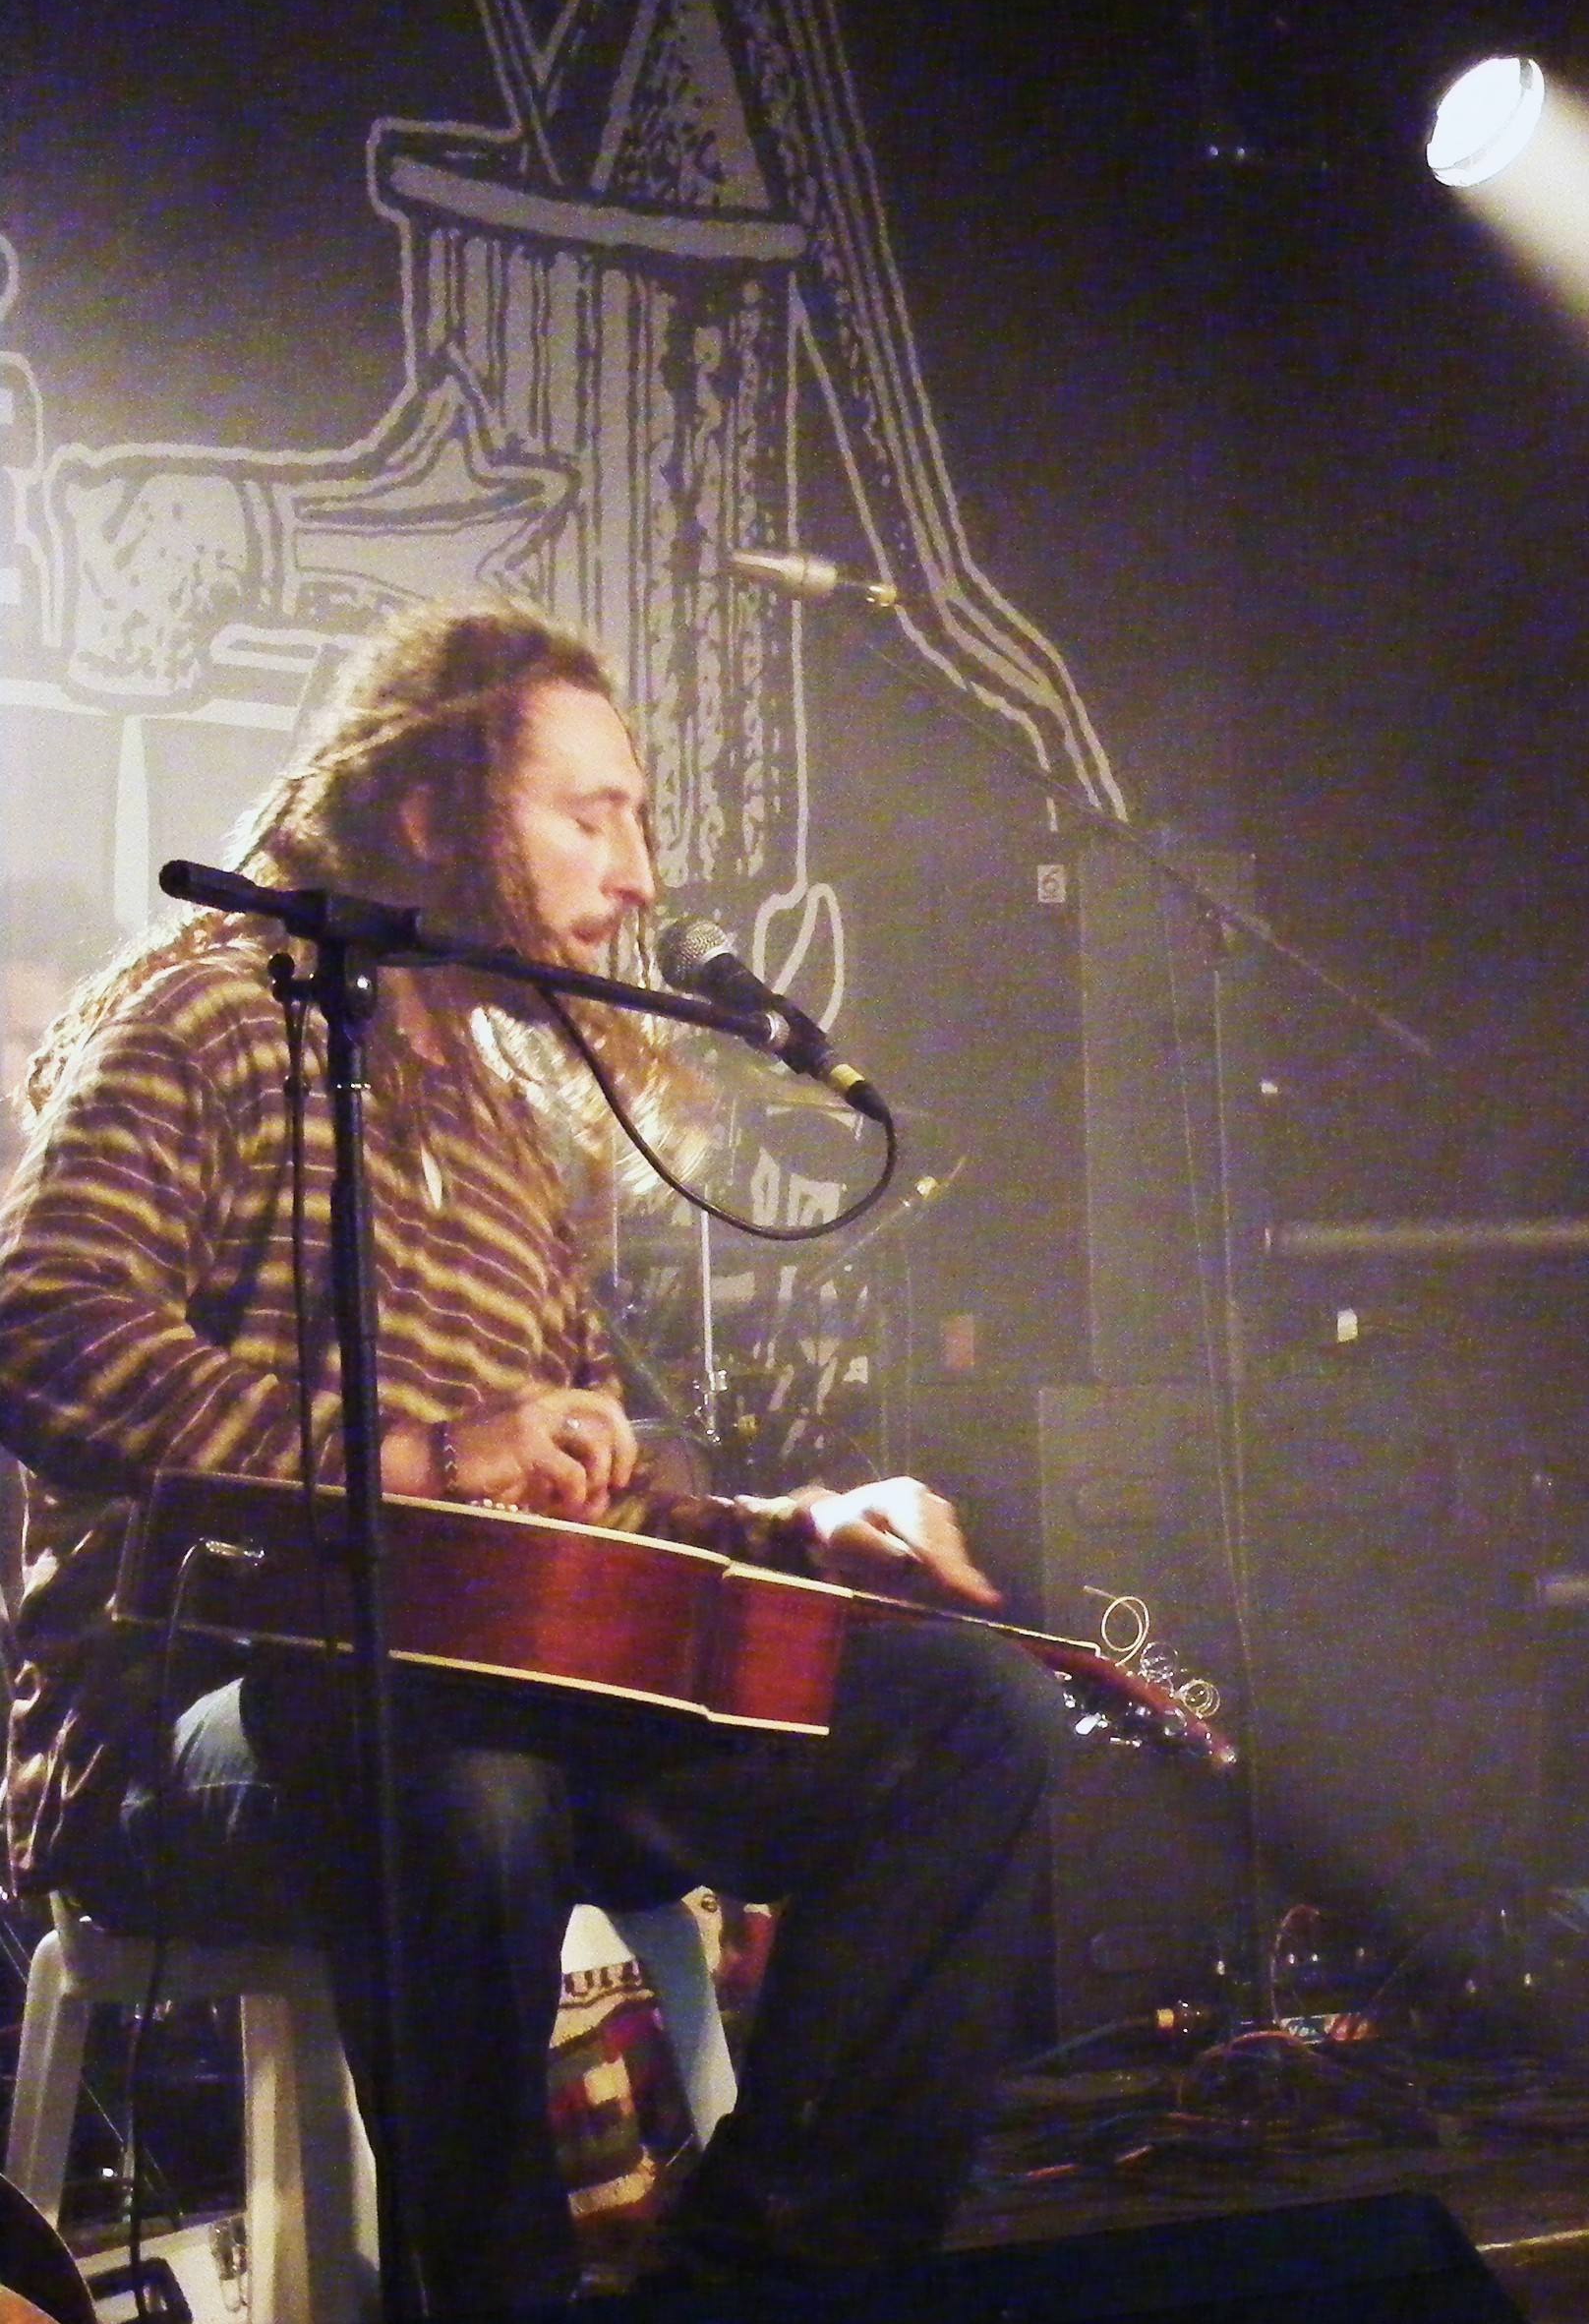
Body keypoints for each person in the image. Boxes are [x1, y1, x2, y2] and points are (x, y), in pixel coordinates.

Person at [0, 602, 1073, 2309]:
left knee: (968, 1715)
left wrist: (796, 1531)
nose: (640, 872)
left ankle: (764, 2286)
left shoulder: (499, 1120)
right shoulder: (194, 1016)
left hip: (497, 1717)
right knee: (454, 1747)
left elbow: (599, 1509)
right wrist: (422, 1450)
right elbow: (46, 1337)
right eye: (593, 812)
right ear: (429, 812)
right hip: (179, 1731)